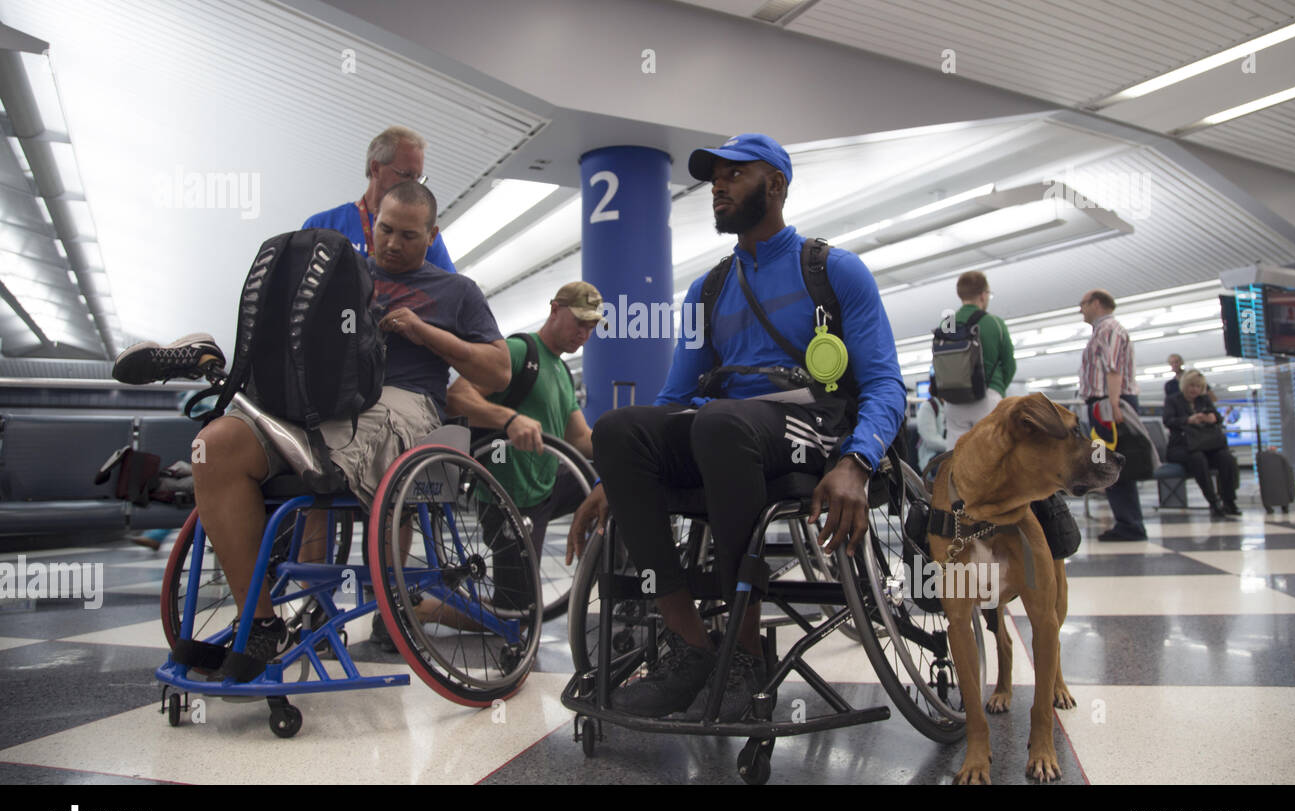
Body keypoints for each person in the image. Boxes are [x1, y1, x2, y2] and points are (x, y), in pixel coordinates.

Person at [568, 133, 906, 722]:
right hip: (725, 431)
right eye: (714, 177)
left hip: (811, 424)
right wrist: (615, 476)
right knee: (620, 429)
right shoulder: (707, 290)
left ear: (774, 185)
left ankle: (745, 652)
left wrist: (857, 461)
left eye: (735, 175)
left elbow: (884, 383)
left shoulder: (834, 272)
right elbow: (675, 397)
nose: (718, 186)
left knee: (720, 421)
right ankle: (691, 644)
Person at [119, 182, 509, 671]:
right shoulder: (345, 275)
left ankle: (284, 434)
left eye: (409, 236)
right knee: (215, 446)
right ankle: (260, 626)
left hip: (404, 402)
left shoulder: (456, 292)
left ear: (433, 235)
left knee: (329, 444)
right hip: (321, 402)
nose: (392, 243)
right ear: (374, 223)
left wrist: (423, 332)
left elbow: (498, 372)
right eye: (385, 229)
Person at [445, 282, 599, 600]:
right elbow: (457, 397)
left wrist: (629, 445)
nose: (584, 333)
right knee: (518, 615)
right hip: (508, 497)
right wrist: (509, 419)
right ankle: (425, 610)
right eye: (579, 322)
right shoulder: (519, 351)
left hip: (546, 489)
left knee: (617, 484)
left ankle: (623, 575)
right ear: (555, 309)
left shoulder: (561, 370)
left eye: (592, 326)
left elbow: (581, 439)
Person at [302, 126, 456, 272]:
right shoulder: (322, 225)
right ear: (376, 168)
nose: (413, 186)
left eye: (418, 178)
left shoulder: (422, 234)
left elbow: (450, 291)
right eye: (406, 175)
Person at [1079, 288, 1146, 542]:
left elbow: (1114, 368)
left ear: (1096, 303)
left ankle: (1130, 524)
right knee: (1106, 462)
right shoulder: (1101, 330)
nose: (1081, 310)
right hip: (1104, 403)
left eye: (1083, 304)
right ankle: (1127, 521)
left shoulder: (1109, 329)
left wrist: (1114, 404)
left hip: (1108, 403)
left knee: (1112, 462)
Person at [943, 270, 1016, 442]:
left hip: (954, 400)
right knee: (991, 458)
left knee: (956, 457)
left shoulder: (947, 323)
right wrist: (996, 389)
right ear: (983, 295)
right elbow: (1009, 365)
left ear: (961, 294)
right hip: (987, 398)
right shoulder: (994, 323)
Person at [1163, 369, 1239, 518]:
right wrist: (1188, 420)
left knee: (1226, 458)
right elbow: (1168, 421)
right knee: (1197, 459)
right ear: (1185, 385)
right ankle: (1213, 501)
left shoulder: (1204, 400)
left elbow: (1218, 417)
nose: (1194, 390)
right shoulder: (1173, 400)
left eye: (1198, 386)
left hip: (1206, 444)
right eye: (1192, 386)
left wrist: (1212, 418)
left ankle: (1229, 500)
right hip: (1182, 447)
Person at [916, 374, 950, 471]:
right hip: (931, 458)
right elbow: (931, 440)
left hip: (948, 452)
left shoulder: (950, 406)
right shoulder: (928, 407)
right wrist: (954, 446)